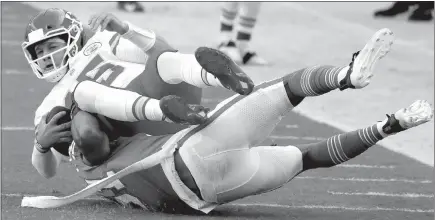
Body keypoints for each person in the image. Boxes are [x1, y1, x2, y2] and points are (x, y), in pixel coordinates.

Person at [45, 28, 432, 214]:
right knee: (285, 88)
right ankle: (345, 77)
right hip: (184, 155)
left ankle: (387, 124)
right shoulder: (88, 148)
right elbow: (91, 139)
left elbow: (318, 156)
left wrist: (390, 125)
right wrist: (77, 115)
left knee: (303, 159)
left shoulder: (90, 171)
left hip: (209, 190)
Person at [24, 8, 254, 212]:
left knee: (164, 61)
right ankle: (175, 104)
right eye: (38, 52)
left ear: (73, 37)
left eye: (52, 46)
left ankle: (217, 74)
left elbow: (160, 51)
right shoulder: (49, 106)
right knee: (84, 94)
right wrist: (40, 147)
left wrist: (125, 29)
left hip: (160, 98)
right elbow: (47, 171)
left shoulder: (102, 43)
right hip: (128, 139)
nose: (45, 57)